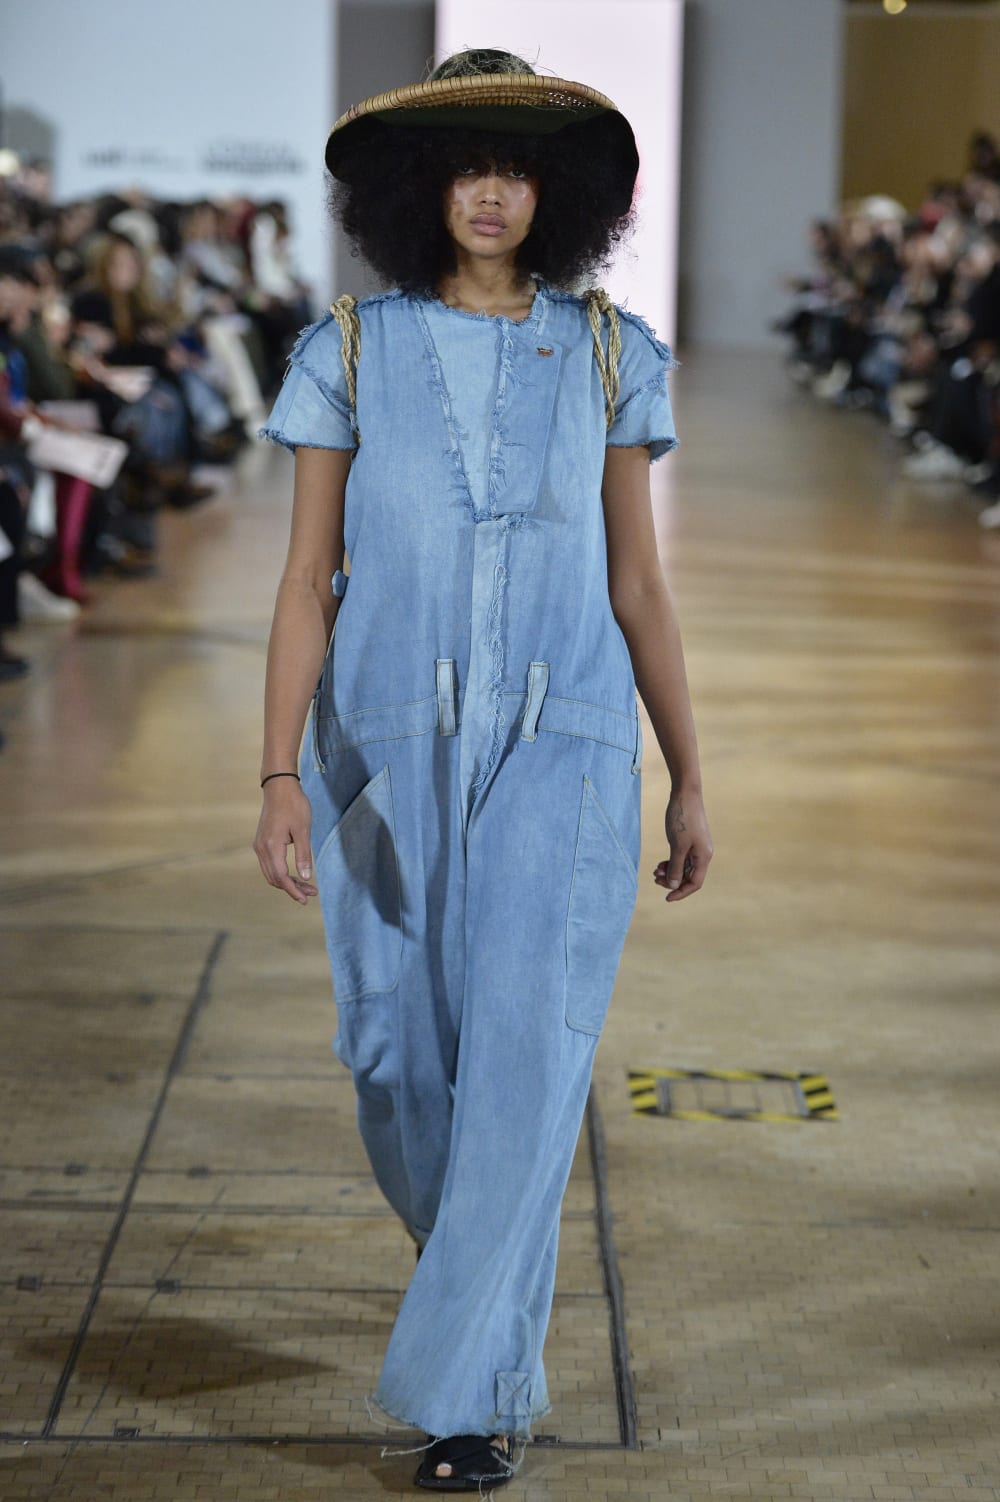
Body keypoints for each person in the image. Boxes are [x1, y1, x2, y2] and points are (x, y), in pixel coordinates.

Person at [252, 48, 713, 1492]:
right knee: (396, 1057)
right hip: (380, 742)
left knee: (525, 1053)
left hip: (566, 738)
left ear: (560, 193)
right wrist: (276, 772)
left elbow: (640, 586)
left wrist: (691, 769)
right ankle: (478, 1300)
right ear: (419, 188)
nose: (494, 193)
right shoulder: (351, 346)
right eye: (465, 165)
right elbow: (304, 583)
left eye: (518, 168)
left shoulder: (609, 352)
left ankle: (474, 1397)